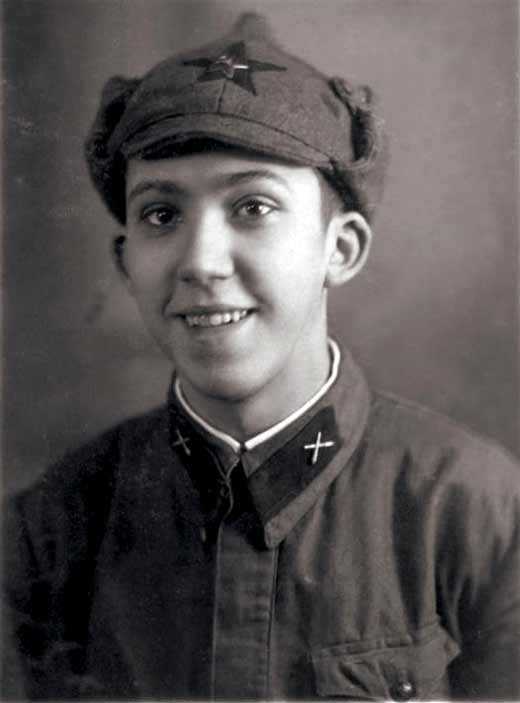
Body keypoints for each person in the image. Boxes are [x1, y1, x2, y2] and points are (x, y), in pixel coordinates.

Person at [3, 12, 519, 701]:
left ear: (340, 248)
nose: (201, 262)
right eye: (161, 214)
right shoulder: (47, 532)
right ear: (126, 262)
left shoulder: (476, 514)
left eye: (252, 207)